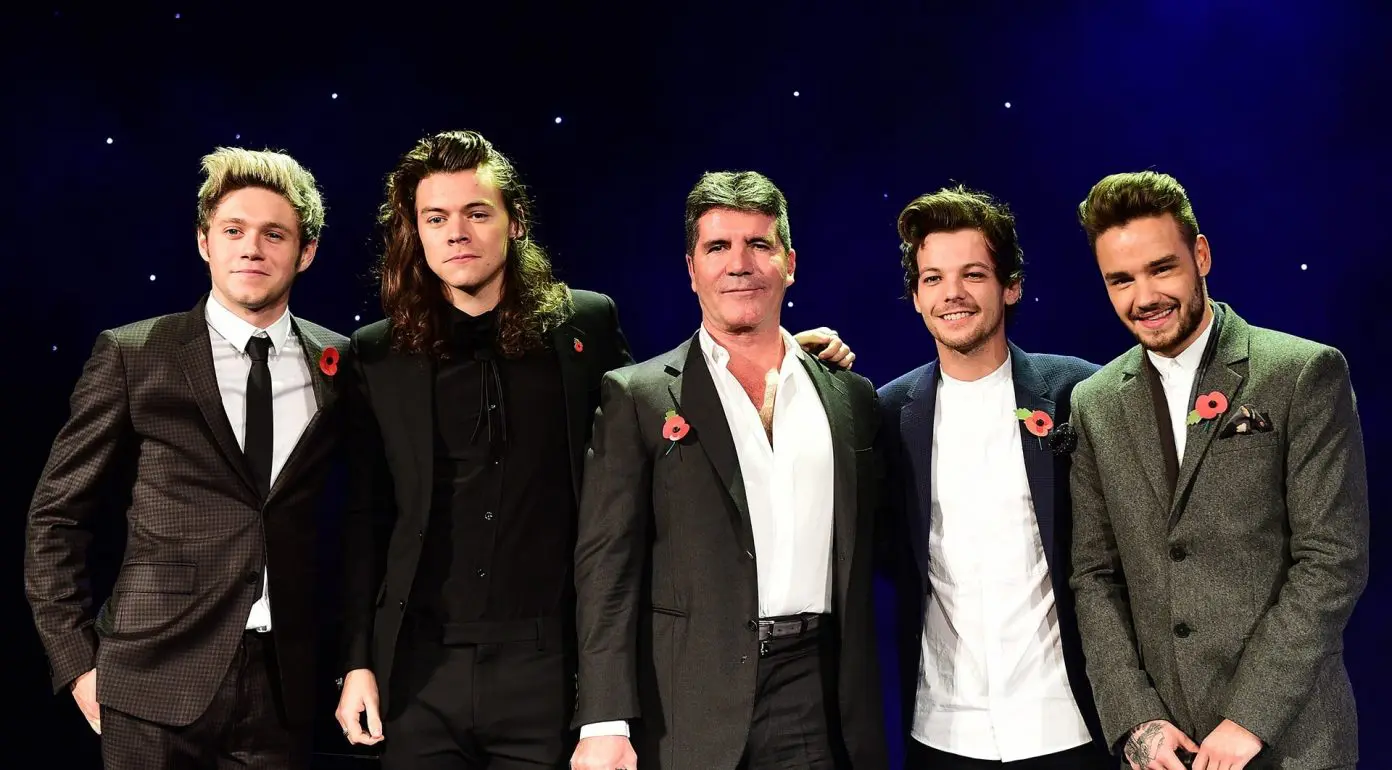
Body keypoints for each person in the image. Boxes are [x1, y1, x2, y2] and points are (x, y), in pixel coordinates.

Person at [333, 131, 853, 769]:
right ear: (415, 231)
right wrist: (357, 661)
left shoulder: (584, 326)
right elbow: (365, 519)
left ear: (515, 222)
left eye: (476, 212)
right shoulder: (377, 354)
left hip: (549, 668)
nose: (456, 233)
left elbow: (664, 420)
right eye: (435, 218)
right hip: (418, 668)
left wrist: (779, 359)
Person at [24, 147, 347, 769]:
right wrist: (76, 662)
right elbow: (56, 517)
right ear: (204, 242)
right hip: (150, 679)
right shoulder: (135, 352)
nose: (251, 249)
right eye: (233, 230)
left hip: (283, 689)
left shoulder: (341, 362)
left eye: (274, 234)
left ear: (305, 252)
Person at [569, 170, 887, 770]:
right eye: (718, 247)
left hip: (817, 696)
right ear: (692, 269)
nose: (739, 264)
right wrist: (604, 720)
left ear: (790, 264)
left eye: (759, 244)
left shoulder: (849, 396)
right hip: (684, 699)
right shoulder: (637, 397)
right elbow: (606, 569)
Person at [1068, 170, 1369, 770]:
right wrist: (1137, 721)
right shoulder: (1093, 402)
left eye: (1161, 269)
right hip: (1164, 751)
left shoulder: (1301, 373)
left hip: (1293, 742)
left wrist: (1249, 717)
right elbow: (1094, 575)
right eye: (1121, 280)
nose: (1143, 297)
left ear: (1200, 256)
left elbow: (1332, 558)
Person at [876, 186, 1113, 769]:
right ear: (915, 296)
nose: (952, 293)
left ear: (1011, 286)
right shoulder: (887, 413)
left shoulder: (1079, 393)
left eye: (973, 274)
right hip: (942, 732)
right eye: (933, 278)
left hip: (1068, 724)